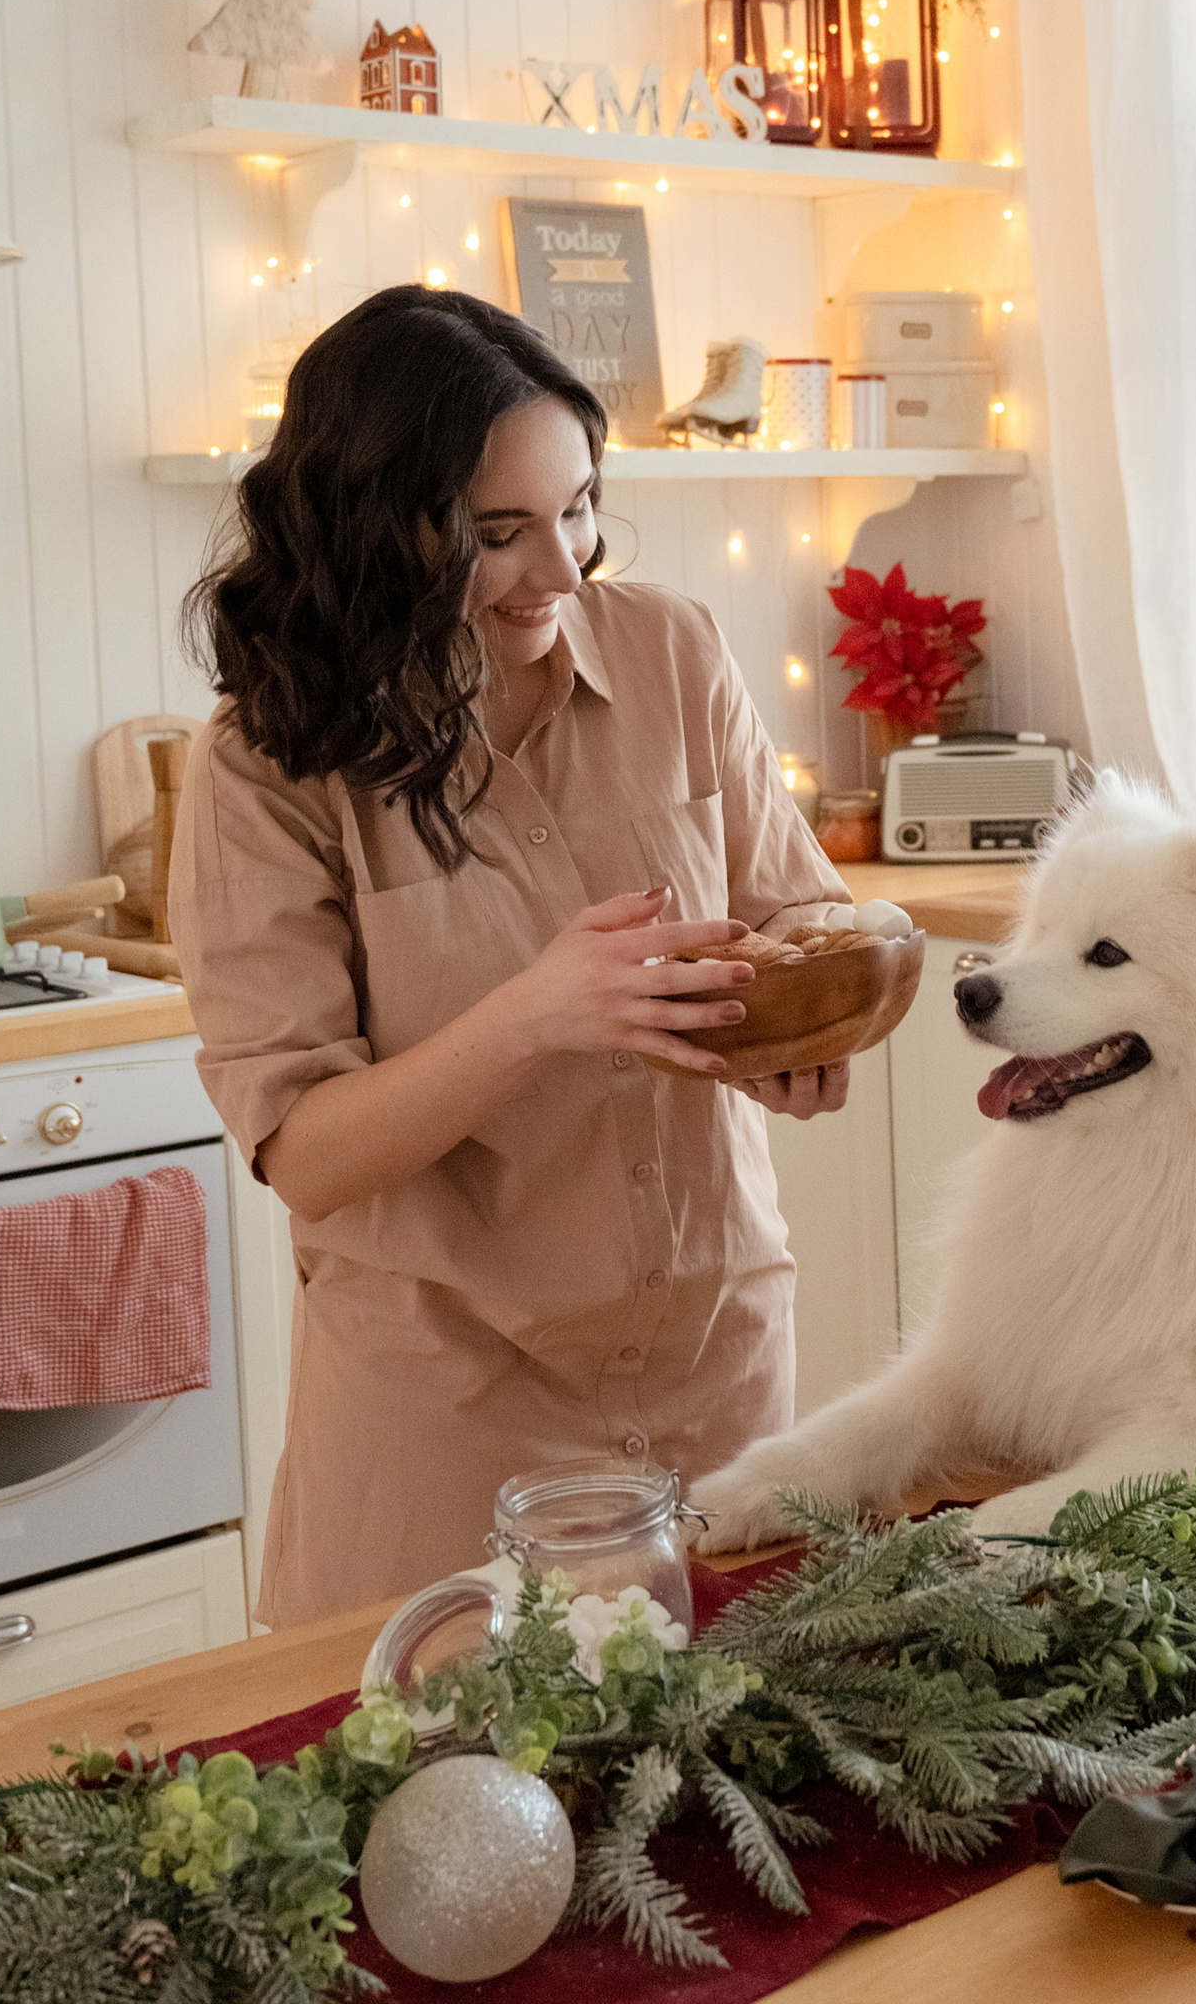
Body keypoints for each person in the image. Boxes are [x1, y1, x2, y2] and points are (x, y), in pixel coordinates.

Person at [171, 285, 853, 1626]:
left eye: (581, 508)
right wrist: (535, 1017)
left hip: (718, 1363)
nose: (564, 570)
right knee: (434, 1797)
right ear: (373, 531)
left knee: (742, 1796)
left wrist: (790, 1037)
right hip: (451, 1408)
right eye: (499, 534)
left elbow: (788, 924)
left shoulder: (673, 650)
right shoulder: (265, 766)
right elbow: (301, 1147)